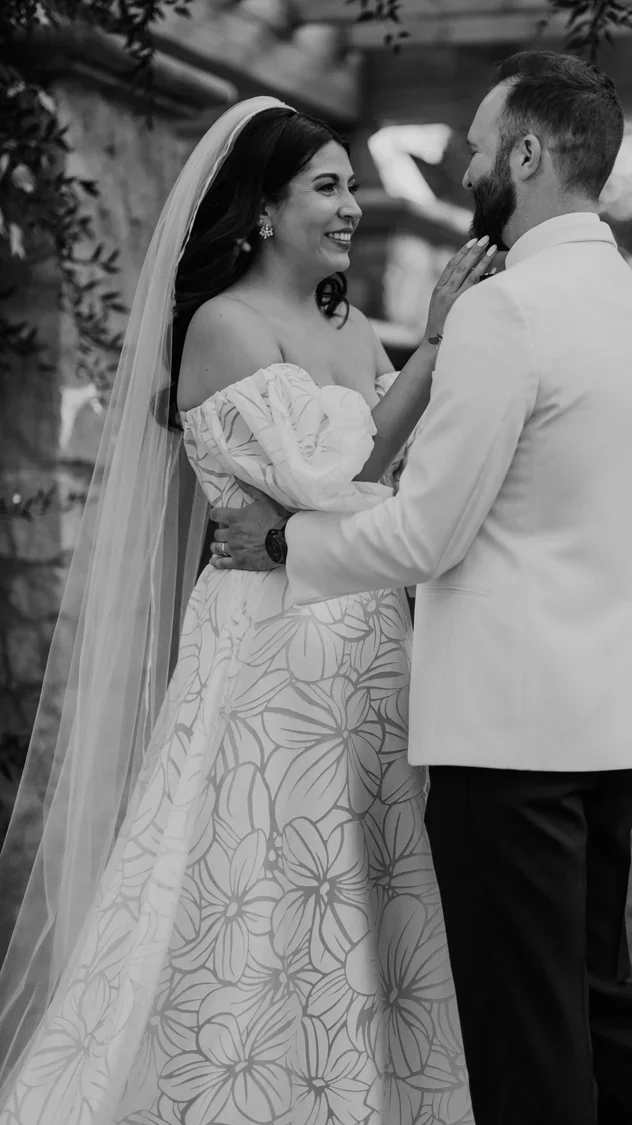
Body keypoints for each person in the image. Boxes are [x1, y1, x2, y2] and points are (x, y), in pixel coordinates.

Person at [210, 53, 632, 1125]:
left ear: (527, 153)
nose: (468, 161)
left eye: (478, 145)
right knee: (599, 1003)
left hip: (501, 737)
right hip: (605, 719)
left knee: (528, 1044)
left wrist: (288, 541)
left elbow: (428, 529)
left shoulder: (509, 312)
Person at [0, 96, 496, 1124]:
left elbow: (392, 474)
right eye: (327, 185)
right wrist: (437, 347)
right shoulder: (222, 327)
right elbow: (341, 474)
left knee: (362, 879)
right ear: (263, 211)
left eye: (351, 185)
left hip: (364, 643)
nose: (352, 206)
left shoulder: (349, 325)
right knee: (265, 870)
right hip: (268, 645)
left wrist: (430, 367)